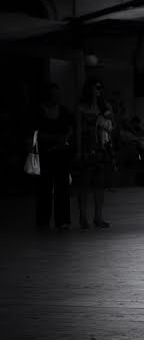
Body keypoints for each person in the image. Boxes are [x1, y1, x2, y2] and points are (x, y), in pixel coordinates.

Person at [32, 83, 73, 231]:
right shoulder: (39, 111)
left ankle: (62, 220)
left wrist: (65, 138)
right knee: (45, 187)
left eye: (57, 93)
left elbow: (71, 128)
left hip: (61, 153)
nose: (56, 96)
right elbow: (35, 133)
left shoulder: (63, 111)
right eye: (53, 94)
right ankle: (43, 220)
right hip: (45, 153)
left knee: (62, 186)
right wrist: (55, 138)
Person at [73, 78, 112, 229]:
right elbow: (77, 129)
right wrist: (77, 150)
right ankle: (83, 216)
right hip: (87, 146)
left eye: (100, 88)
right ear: (89, 89)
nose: (99, 90)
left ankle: (98, 216)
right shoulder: (81, 107)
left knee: (99, 183)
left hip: (101, 146)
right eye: (96, 87)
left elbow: (111, 126)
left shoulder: (103, 107)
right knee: (84, 182)